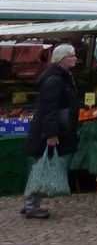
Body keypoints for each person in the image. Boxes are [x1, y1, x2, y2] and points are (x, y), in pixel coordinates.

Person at [23, 44, 79, 219]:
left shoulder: (62, 77)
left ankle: (29, 203)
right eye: (71, 55)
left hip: (52, 128)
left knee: (41, 165)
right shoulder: (54, 80)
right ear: (62, 59)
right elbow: (49, 109)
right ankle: (31, 205)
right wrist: (51, 134)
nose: (75, 58)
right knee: (42, 166)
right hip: (46, 130)